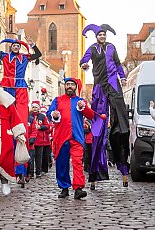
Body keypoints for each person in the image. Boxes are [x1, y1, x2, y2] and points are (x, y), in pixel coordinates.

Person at [80, 24, 130, 187]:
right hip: (99, 87)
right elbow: (84, 59)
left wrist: (122, 77)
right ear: (96, 36)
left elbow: (117, 63)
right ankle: (95, 171)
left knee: (120, 124)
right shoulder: (93, 48)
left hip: (113, 85)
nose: (102, 36)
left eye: (104, 34)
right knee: (98, 127)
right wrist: (84, 65)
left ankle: (123, 166)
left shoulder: (111, 47)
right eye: (100, 34)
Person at [47, 78, 95, 200]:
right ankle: (64, 187)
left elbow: (91, 115)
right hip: (62, 136)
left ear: (75, 87)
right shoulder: (57, 100)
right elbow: (49, 112)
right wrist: (54, 114)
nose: (69, 86)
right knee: (62, 163)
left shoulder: (81, 101)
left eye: (71, 85)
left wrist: (84, 107)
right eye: (67, 84)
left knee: (78, 162)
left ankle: (78, 188)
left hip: (77, 136)